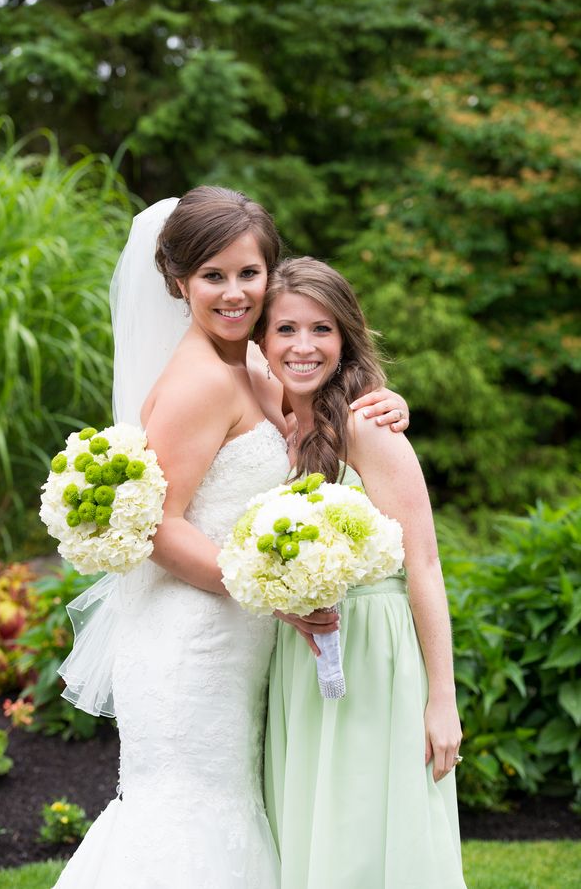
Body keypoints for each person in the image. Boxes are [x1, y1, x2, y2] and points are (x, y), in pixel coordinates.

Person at [53, 189, 410, 889]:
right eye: (213, 275)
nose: (234, 291)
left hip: (228, 630)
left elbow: (315, 418)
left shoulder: (244, 366)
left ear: (270, 273)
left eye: (249, 273)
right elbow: (156, 528)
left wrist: (383, 398)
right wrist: (271, 594)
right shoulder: (201, 383)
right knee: (188, 816)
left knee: (227, 810)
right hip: (191, 641)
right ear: (178, 280)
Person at [255, 257, 467, 889]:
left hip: (375, 650)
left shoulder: (368, 427)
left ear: (344, 337)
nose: (302, 346)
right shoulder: (272, 433)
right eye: (285, 329)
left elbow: (424, 565)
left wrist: (442, 699)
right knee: (317, 824)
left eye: (321, 329)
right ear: (262, 340)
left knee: (369, 827)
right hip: (300, 657)